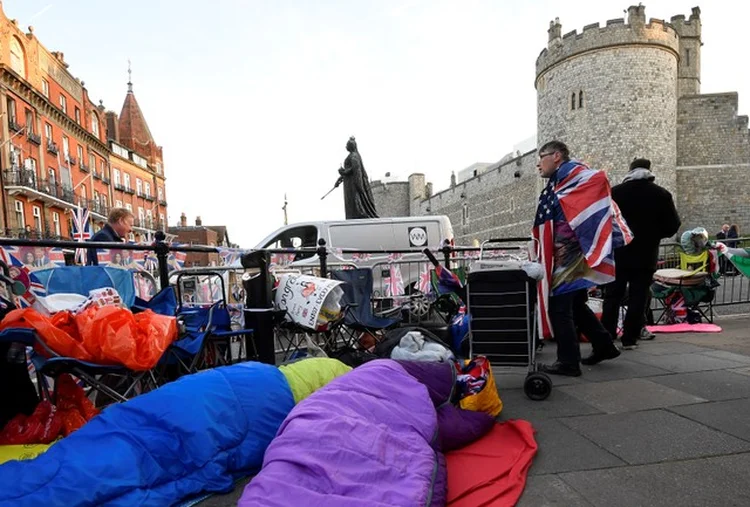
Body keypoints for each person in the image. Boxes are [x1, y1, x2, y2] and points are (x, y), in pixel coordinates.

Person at [533, 141, 627, 376]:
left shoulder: (575, 176)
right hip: (570, 251)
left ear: (556, 156)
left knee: (559, 307)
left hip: (569, 254)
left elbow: (596, 185)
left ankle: (568, 362)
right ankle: (603, 344)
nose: (538, 163)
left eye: (541, 157)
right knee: (574, 303)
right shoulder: (562, 181)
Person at [601, 158, 681, 349]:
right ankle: (630, 339)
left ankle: (606, 336)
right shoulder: (661, 194)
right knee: (639, 297)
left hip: (619, 252)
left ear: (629, 171)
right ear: (649, 171)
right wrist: (654, 235)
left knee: (612, 295)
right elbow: (673, 225)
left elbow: (604, 221)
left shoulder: (615, 193)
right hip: (646, 254)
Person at [338, 136, 379, 220]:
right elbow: (350, 170)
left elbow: (356, 170)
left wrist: (343, 172)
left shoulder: (354, 156)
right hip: (350, 184)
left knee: (356, 204)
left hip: (354, 186)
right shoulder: (353, 156)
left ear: (351, 146)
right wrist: (341, 177)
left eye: (347, 145)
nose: (346, 147)